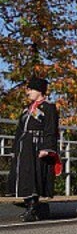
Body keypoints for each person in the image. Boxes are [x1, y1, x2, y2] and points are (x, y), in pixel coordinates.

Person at [7, 77, 61, 222]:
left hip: (37, 145)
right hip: (24, 146)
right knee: (24, 174)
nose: (28, 92)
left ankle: (33, 207)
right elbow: (19, 130)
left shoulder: (49, 108)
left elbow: (51, 129)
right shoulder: (27, 109)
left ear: (39, 90)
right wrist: (15, 148)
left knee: (33, 175)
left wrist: (47, 148)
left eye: (30, 89)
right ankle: (30, 205)